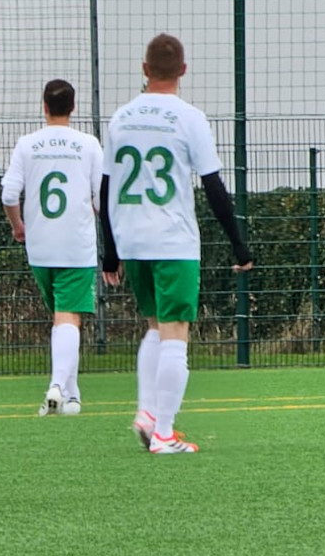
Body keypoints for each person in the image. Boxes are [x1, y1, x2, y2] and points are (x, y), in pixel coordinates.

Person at [100, 33, 253, 454]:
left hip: (132, 240)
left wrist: (110, 252)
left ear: (144, 69)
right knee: (176, 332)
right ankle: (163, 433)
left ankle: (147, 413)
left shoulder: (121, 118)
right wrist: (240, 246)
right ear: (183, 70)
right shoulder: (189, 118)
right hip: (172, 240)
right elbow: (214, 187)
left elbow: (107, 187)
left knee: (154, 325)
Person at [1, 79, 103, 417]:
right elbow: (102, 200)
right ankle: (58, 386)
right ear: (73, 108)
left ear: (43, 106)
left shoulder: (27, 144)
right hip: (76, 243)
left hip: (40, 245)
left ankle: (71, 396)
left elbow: (8, 195)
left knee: (63, 318)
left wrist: (18, 227)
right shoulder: (88, 144)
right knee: (68, 318)